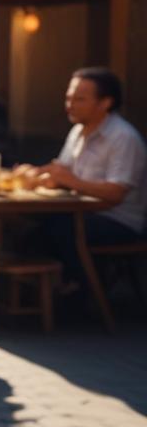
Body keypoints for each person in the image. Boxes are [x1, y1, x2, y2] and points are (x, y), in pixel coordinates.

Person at [40, 68, 146, 286]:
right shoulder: (78, 130)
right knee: (30, 226)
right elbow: (62, 169)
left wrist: (71, 181)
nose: (70, 104)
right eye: (68, 98)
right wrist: (35, 174)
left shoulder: (123, 138)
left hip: (118, 220)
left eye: (79, 99)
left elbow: (115, 194)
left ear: (105, 103)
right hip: (82, 212)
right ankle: (45, 294)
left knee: (57, 228)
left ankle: (83, 291)